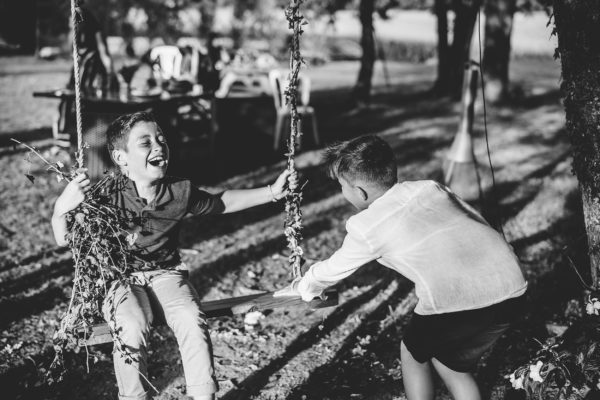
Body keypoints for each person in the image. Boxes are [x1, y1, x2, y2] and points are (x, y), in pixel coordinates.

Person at [51, 111, 294, 400]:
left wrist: (271, 192)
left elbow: (219, 202)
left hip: (166, 273)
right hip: (119, 278)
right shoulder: (106, 194)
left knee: (191, 316)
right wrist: (61, 209)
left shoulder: (179, 190)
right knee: (131, 323)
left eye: (162, 140)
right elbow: (65, 238)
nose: (159, 147)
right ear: (120, 157)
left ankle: (204, 395)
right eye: (146, 143)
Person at [277, 135, 527, 400]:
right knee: (450, 363)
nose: (342, 192)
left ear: (359, 191)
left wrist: (306, 285)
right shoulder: (430, 188)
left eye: (342, 186)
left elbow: (334, 269)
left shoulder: (367, 226)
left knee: (412, 353)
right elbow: (475, 221)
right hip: (513, 286)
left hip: (459, 302)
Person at [55, 4, 116, 138]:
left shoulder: (95, 31)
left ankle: (89, 133)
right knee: (68, 100)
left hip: (93, 70)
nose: (73, 23)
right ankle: (67, 135)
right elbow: (70, 52)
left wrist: (110, 73)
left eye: (76, 20)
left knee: (89, 102)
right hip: (79, 70)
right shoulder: (74, 34)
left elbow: (104, 53)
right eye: (71, 20)